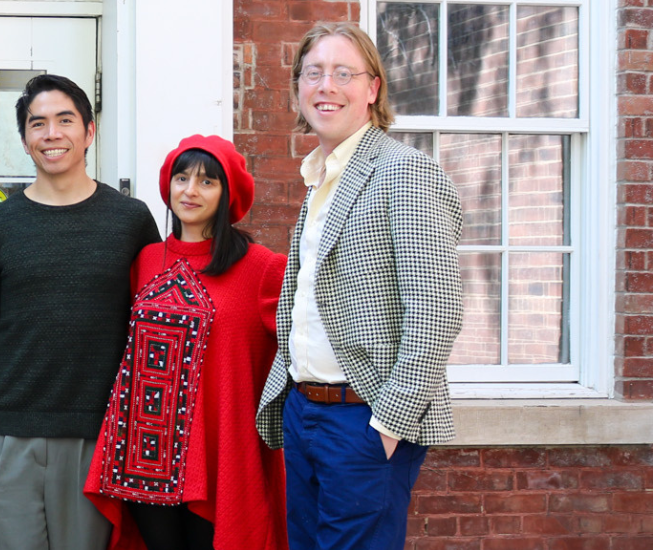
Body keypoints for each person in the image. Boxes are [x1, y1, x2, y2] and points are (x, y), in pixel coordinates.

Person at [256, 22, 465, 550]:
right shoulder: (322, 178)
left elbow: (436, 310)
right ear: (298, 89)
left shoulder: (405, 172)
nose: (325, 85)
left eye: (343, 73)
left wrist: (388, 425)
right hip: (305, 412)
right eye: (313, 73)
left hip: (363, 420)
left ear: (372, 89)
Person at [0, 74, 161, 550]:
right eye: (38, 124)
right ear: (26, 140)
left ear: (89, 131)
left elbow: (150, 321)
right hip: (13, 431)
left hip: (99, 435)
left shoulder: (131, 220)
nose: (51, 133)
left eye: (65, 120)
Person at [84, 135, 289, 550]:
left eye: (207, 182)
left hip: (219, 452)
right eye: (182, 178)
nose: (190, 191)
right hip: (145, 451)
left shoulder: (263, 268)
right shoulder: (145, 260)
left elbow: (297, 349)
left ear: (227, 193)